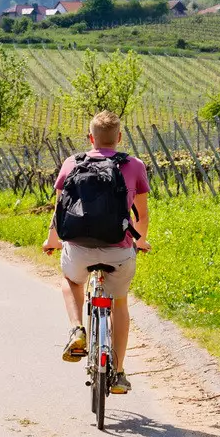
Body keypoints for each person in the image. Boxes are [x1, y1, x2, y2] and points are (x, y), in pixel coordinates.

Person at [42, 110, 151, 394]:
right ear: (119, 137)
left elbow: (60, 210)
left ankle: (78, 329)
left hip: (79, 249)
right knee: (120, 303)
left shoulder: (71, 163)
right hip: (119, 250)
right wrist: (140, 241)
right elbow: (142, 215)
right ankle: (118, 371)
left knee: (71, 280)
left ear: (91, 138)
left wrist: (52, 240)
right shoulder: (135, 165)